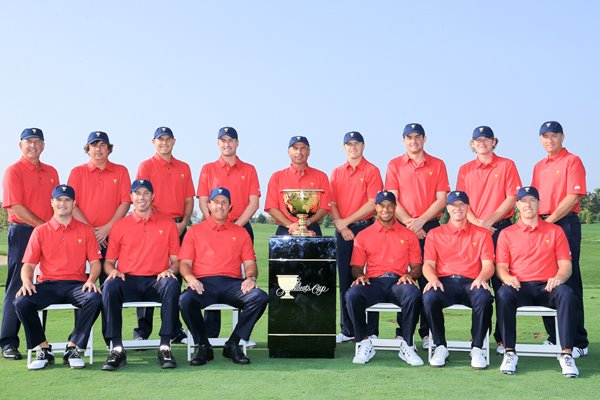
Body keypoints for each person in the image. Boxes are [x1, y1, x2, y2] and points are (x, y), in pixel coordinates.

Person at [13, 185, 102, 370]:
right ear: (52, 203)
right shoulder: (40, 231)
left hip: (76, 285)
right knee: (21, 301)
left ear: (74, 203)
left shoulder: (85, 230)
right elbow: (28, 264)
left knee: (95, 298)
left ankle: (73, 347)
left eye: (67, 199)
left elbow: (95, 263)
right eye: (59, 199)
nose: (63, 203)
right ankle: (44, 348)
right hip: (48, 285)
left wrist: (91, 280)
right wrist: (27, 282)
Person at [495, 186, 580, 378]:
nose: (528, 205)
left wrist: (559, 278)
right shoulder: (507, 233)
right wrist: (507, 278)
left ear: (539, 204)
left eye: (532, 200)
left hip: (547, 287)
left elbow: (566, 266)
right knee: (503, 293)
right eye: (523, 201)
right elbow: (501, 267)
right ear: (517, 205)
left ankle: (566, 353)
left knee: (567, 293)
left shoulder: (556, 231)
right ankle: (509, 351)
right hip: (520, 287)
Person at [179, 187, 268, 365]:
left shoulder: (240, 232)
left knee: (259, 297)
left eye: (224, 202)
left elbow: (250, 264)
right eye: (216, 202)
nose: (220, 206)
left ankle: (233, 344)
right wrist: (190, 278)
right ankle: (203, 346)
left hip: (232, 284)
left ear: (229, 207)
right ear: (209, 205)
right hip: (203, 283)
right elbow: (185, 264)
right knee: (185, 300)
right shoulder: (194, 232)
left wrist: (250, 278)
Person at [101, 179, 181, 371]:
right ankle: (117, 348)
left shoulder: (168, 224)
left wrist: (171, 271)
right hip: (129, 280)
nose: (142, 197)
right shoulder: (120, 225)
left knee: (172, 284)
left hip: (157, 280)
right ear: (131, 198)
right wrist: (113, 271)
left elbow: (176, 261)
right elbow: (108, 263)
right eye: (138, 193)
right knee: (110, 286)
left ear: (153, 197)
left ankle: (165, 346)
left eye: (146, 193)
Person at [456, 125, 522, 353]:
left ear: (494, 141)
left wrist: (489, 222)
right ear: (472, 144)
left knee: (502, 284)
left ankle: (503, 339)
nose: (482, 143)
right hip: (474, 231)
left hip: (501, 229)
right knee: (478, 282)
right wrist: (478, 224)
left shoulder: (506, 165)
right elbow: (461, 203)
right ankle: (479, 338)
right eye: (478, 140)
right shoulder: (465, 169)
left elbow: (512, 197)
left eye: (486, 139)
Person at [385, 123, 450, 349]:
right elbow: (393, 200)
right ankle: (404, 331)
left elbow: (441, 199)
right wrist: (411, 224)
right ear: (404, 140)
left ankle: (427, 332)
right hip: (403, 227)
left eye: (417, 137)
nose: (413, 141)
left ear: (424, 139)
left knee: (429, 279)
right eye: (409, 137)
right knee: (406, 277)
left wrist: (421, 221)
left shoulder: (438, 164)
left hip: (430, 227)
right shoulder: (394, 164)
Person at [346, 190, 423, 366]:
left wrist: (409, 276)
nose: (385, 209)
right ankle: (364, 341)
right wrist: (360, 276)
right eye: (382, 206)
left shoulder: (408, 235)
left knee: (413, 295)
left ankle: (407, 343)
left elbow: (417, 267)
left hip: (398, 282)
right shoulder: (364, 235)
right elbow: (356, 266)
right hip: (374, 282)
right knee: (352, 295)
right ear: (376, 208)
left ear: (395, 208)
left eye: (389, 205)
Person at [1, 128, 59, 360]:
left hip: (47, 233)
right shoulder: (13, 171)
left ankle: (38, 340)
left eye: (37, 141)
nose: (33, 145)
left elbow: (58, 204)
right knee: (18, 284)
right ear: (20, 145)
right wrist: (43, 227)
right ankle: (8, 342)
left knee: (44, 282)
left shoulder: (52, 172)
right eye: (28, 141)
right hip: (24, 232)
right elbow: (15, 207)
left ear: (43, 146)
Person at [531, 121, 588, 358]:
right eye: (545, 136)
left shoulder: (572, 160)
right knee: (546, 277)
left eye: (553, 136)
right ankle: (554, 336)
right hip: (543, 223)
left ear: (562, 137)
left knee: (569, 279)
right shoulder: (539, 166)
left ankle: (578, 341)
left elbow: (573, 197)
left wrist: (550, 220)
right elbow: (533, 199)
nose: (549, 140)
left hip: (564, 222)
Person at [197, 127, 260, 338]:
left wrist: (237, 226)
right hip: (213, 228)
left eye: (231, 140)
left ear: (237, 143)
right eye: (223, 141)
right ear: (218, 144)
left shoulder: (249, 169)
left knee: (245, 278)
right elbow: (204, 200)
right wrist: (214, 223)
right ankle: (210, 332)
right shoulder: (208, 168)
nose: (227, 144)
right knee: (212, 274)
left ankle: (242, 335)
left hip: (241, 227)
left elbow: (254, 202)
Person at [422, 191, 494, 369]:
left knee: (484, 298)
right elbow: (428, 264)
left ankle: (477, 348)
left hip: (472, 282)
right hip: (445, 282)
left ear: (468, 207)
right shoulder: (435, 233)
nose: (458, 208)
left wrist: (481, 278)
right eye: (454, 205)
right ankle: (440, 346)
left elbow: (488, 265)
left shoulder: (482, 233)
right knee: (429, 297)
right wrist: (432, 279)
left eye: (462, 204)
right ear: (447, 208)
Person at [135, 126, 194, 342]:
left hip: (179, 226)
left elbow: (189, 199)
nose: (164, 143)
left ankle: (174, 328)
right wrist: (163, 224)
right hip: (155, 226)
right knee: (150, 274)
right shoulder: (146, 166)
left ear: (174, 142)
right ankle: (143, 331)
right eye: (160, 139)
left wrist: (185, 222)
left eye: (168, 139)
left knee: (175, 277)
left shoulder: (184, 167)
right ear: (154, 142)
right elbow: (143, 198)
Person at [329, 131, 382, 343]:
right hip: (342, 231)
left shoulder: (371, 170)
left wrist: (346, 221)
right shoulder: (336, 172)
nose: (353, 147)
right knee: (345, 278)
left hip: (367, 228)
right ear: (344, 147)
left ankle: (372, 330)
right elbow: (331, 203)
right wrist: (342, 226)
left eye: (356, 143)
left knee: (370, 277)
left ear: (363, 146)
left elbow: (372, 203)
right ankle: (348, 329)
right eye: (349, 144)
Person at [67, 131, 131, 283]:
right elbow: (72, 205)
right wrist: (91, 231)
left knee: (110, 282)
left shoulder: (121, 171)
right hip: (83, 234)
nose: (98, 149)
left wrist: (107, 228)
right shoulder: (77, 172)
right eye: (94, 145)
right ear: (88, 149)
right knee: (82, 284)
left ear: (109, 149)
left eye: (103, 145)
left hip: (111, 236)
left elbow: (126, 202)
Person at [265, 136, 331, 236]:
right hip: (285, 229)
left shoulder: (321, 176)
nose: (299, 152)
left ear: (308, 151)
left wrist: (306, 223)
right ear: (288, 152)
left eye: (303, 148)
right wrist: (291, 225)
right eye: (295, 148)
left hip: (311, 228)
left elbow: (324, 208)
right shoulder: (276, 177)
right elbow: (271, 207)